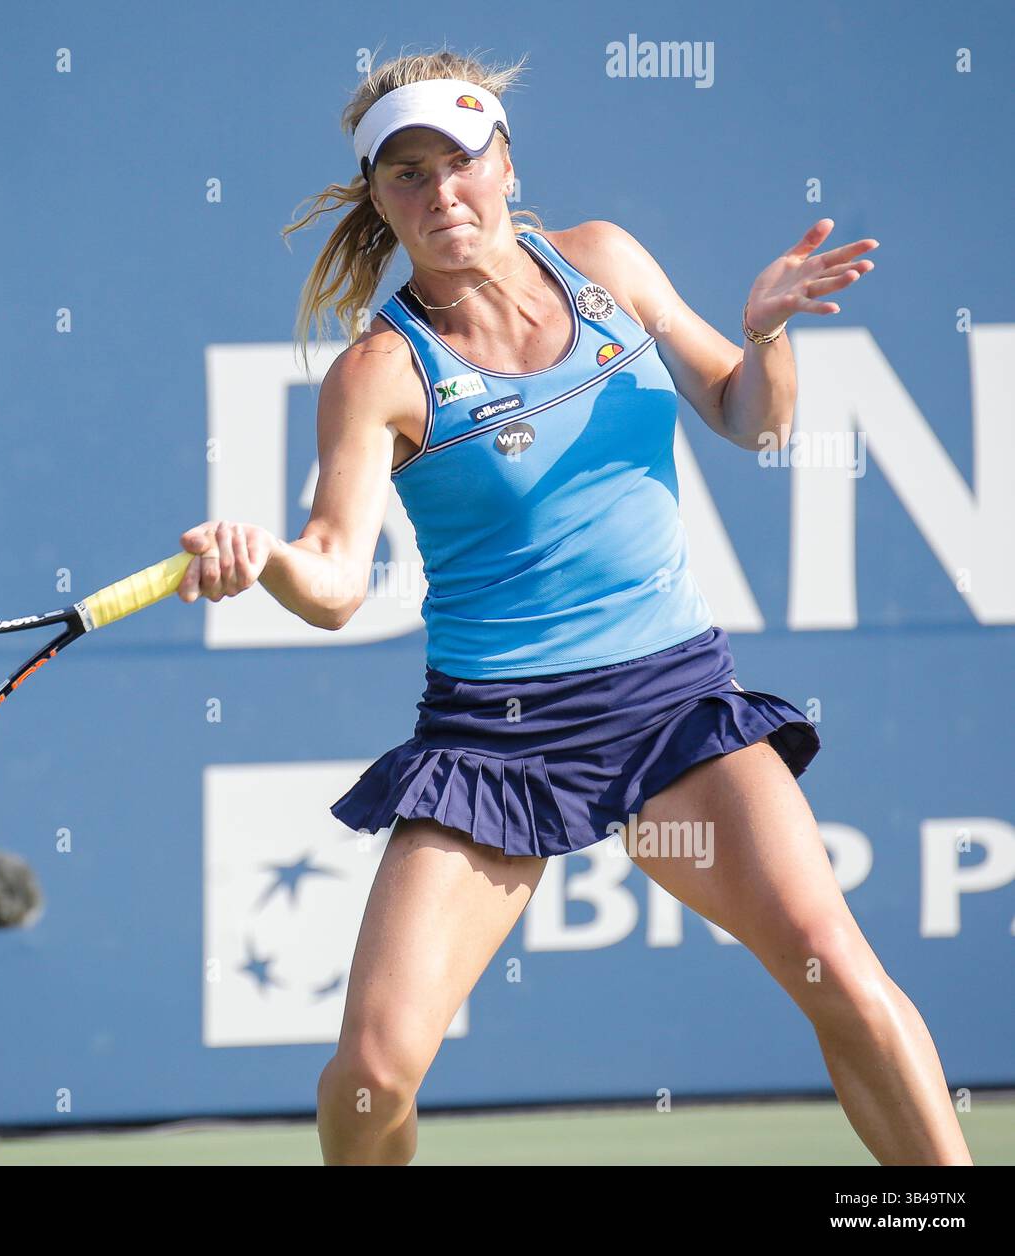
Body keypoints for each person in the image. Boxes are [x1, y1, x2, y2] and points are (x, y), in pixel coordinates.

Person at [175, 49, 972, 1167]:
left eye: (458, 160)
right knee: (368, 1073)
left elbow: (755, 422)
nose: (439, 191)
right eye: (406, 174)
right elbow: (336, 576)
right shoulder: (378, 373)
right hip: (492, 742)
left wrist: (766, 337)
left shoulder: (603, 262)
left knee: (829, 961)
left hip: (672, 708)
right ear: (378, 199)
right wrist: (262, 557)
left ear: (504, 161)